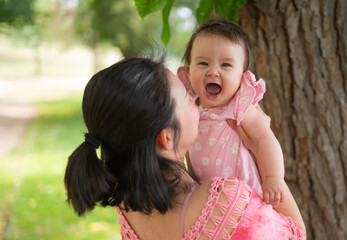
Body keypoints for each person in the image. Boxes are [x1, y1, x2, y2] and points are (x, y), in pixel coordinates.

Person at [64, 56, 306, 239]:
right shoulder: (226, 200)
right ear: (166, 137)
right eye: (187, 98)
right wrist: (263, 159)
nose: (196, 98)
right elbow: (295, 235)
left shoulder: (128, 208)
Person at [178, 19, 286, 208]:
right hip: (208, 203)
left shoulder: (239, 107)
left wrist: (273, 177)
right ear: (188, 71)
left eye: (226, 65)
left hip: (245, 200)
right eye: (203, 63)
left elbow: (265, 138)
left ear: (241, 76)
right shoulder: (190, 111)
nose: (213, 72)